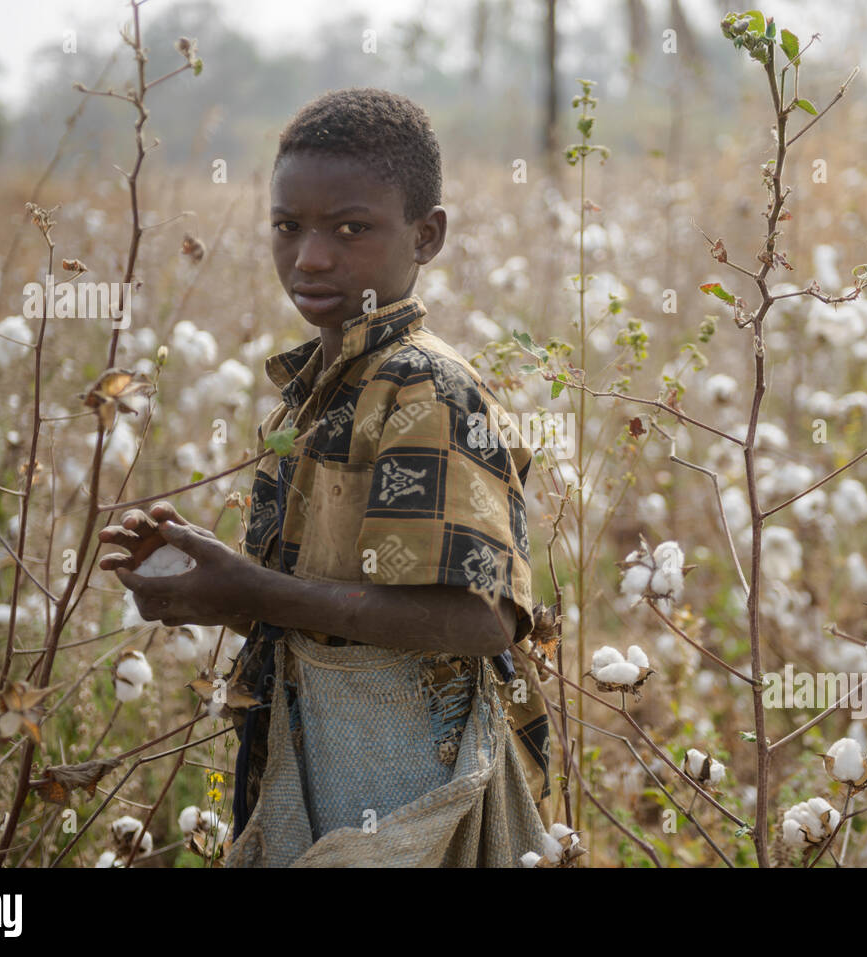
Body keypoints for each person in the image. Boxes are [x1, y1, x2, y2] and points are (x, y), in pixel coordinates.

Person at [98, 87, 550, 866]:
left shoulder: (422, 388)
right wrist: (208, 579)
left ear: (427, 235)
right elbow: (344, 611)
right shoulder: (325, 387)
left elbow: (479, 618)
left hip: (413, 795)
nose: (310, 256)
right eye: (288, 226)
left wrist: (248, 588)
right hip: (327, 772)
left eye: (351, 228)